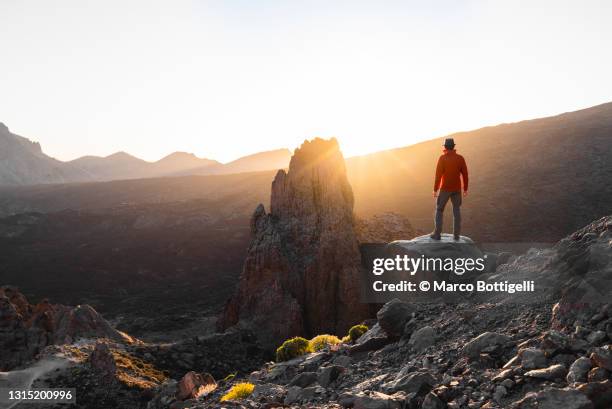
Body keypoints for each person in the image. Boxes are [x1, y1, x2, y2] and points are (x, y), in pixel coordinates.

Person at [430, 138, 468, 241]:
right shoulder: (460, 158)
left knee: (439, 210)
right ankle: (456, 236)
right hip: (456, 189)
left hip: (445, 189)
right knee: (456, 211)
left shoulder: (442, 158)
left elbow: (438, 175)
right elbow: (465, 174)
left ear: (445, 147)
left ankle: (437, 234)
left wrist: (435, 189)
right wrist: (465, 188)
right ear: (453, 146)